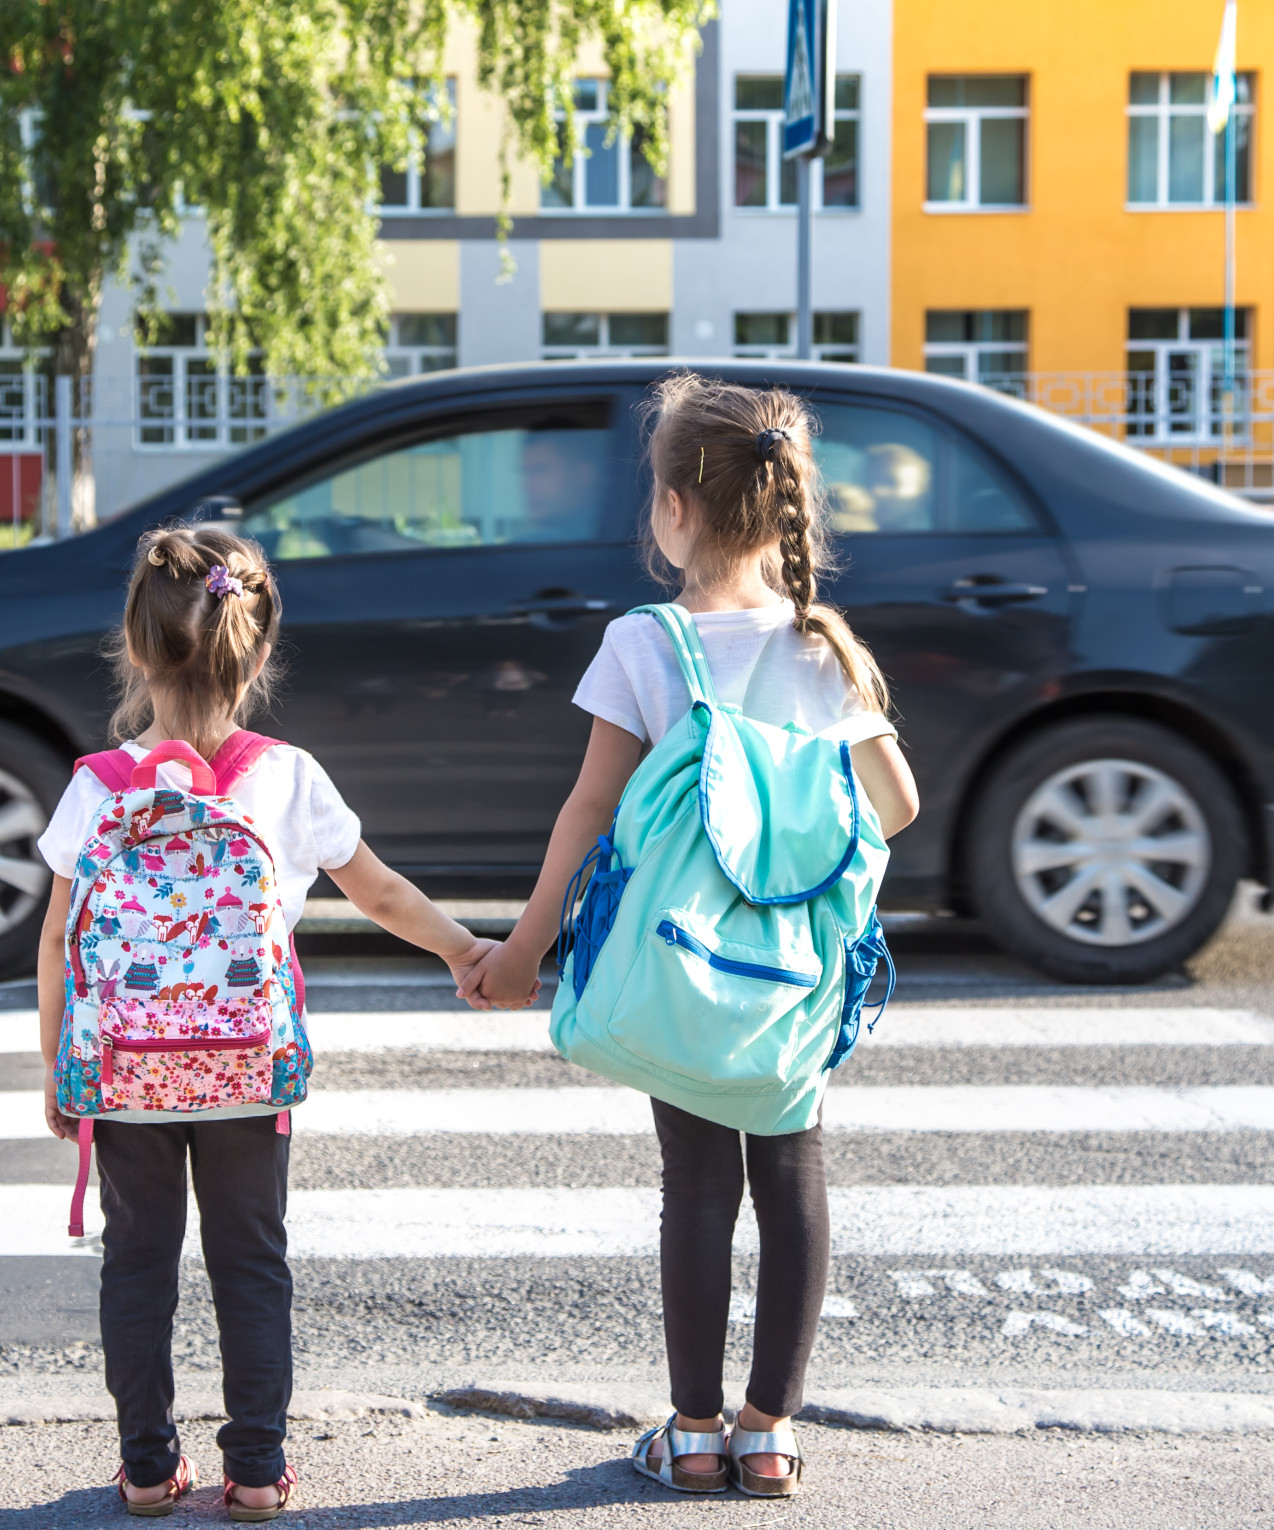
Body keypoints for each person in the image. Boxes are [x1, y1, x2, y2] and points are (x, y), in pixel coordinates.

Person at [464, 374, 921, 1495]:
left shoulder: (643, 643)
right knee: (794, 1167)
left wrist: (523, 951)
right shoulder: (824, 645)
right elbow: (898, 804)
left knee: (696, 1182)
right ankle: (770, 1432)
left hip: (680, 961)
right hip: (792, 969)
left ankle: (695, 1428)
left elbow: (587, 809)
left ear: (672, 509)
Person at [33, 524, 500, 1521]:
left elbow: (59, 943)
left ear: (134, 643)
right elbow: (377, 894)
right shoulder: (285, 776)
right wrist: (464, 950)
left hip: (127, 1072)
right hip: (247, 1069)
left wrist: (56, 1071)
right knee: (250, 1259)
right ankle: (255, 1470)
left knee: (137, 1261)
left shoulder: (96, 789)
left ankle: (149, 1471)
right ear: (256, 649)